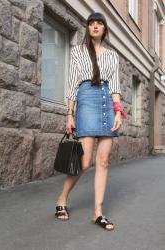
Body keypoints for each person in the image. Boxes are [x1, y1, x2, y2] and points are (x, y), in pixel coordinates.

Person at [55, 12, 127, 231]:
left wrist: (118, 112)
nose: (95, 27)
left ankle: (98, 213)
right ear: (88, 28)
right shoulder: (78, 51)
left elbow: (115, 86)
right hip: (86, 99)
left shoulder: (113, 55)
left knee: (103, 161)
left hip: (106, 101)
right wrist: (69, 114)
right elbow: (72, 84)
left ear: (105, 29)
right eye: (91, 24)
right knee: (84, 162)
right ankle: (61, 199)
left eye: (99, 24)